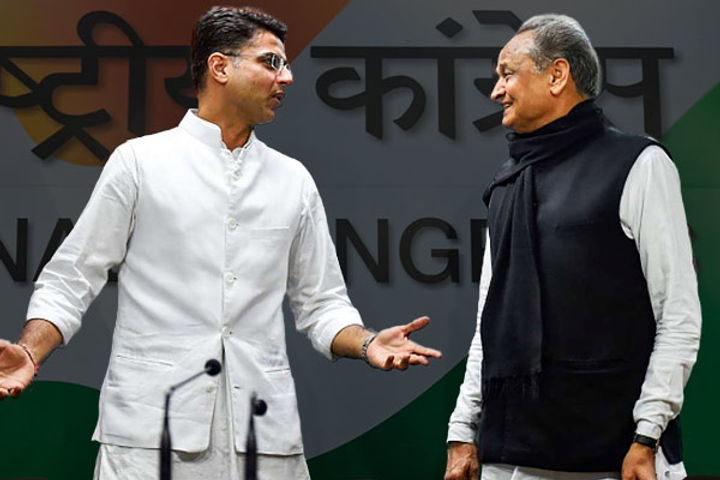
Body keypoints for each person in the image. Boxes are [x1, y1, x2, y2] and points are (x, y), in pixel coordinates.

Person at [0, 6, 441, 480]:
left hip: (263, 435)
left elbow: (322, 304)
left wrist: (368, 342)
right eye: (271, 62)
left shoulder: (292, 180)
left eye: (285, 64)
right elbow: (72, 278)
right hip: (149, 436)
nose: (287, 77)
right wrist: (30, 351)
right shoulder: (140, 163)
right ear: (220, 67)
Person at [444, 13, 700, 480]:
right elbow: (489, 325)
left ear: (557, 75)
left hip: (618, 458)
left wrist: (647, 435)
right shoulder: (506, 184)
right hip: (512, 457)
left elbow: (678, 316)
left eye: (507, 74)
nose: (497, 91)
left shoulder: (640, 164)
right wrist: (462, 430)